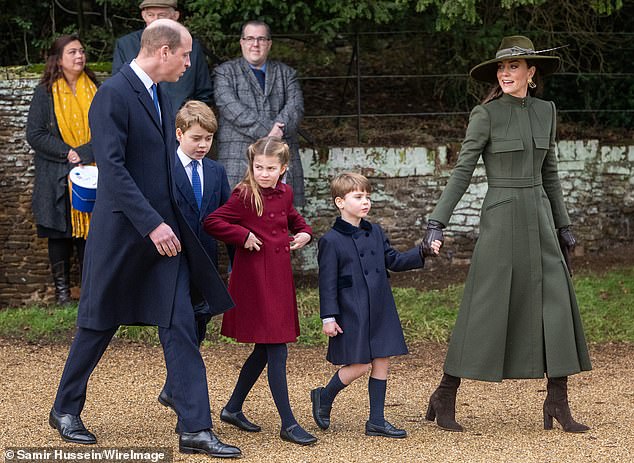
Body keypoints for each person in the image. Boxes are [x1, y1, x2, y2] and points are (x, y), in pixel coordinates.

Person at [48, 19, 240, 458]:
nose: (190, 63)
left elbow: (161, 168)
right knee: (97, 325)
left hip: (163, 240)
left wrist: (178, 220)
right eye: (186, 54)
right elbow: (112, 170)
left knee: (180, 327)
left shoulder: (158, 93)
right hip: (122, 237)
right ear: (164, 50)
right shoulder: (113, 94)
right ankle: (64, 409)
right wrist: (152, 223)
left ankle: (195, 427)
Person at [420, 35, 592, 433]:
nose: (505, 73)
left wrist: (564, 226)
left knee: (556, 305)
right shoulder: (486, 115)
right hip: (501, 218)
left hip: (541, 218)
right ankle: (445, 392)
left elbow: (550, 172)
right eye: (501, 68)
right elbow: (463, 170)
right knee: (485, 306)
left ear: (531, 73)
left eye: (513, 67)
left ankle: (557, 399)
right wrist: (436, 221)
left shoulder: (547, 111)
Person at [203, 136, 316, 446]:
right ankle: (289, 424)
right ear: (251, 167)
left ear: (283, 169)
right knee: (276, 348)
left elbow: (294, 219)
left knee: (265, 349)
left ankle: (232, 408)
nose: (263, 174)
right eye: (258, 167)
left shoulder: (285, 192)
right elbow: (212, 221)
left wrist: (305, 233)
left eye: (270, 168)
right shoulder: (243, 194)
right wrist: (242, 235)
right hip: (255, 280)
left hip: (279, 278)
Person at [310, 172, 440, 439]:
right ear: (340, 202)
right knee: (359, 365)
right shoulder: (330, 241)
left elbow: (392, 259)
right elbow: (327, 283)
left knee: (382, 360)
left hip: (380, 306)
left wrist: (422, 251)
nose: (365, 202)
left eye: (367, 197)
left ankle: (377, 421)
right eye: (358, 197)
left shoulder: (375, 231)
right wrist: (328, 317)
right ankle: (324, 396)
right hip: (351, 311)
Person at [157, 99, 232, 410]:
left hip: (206, 264)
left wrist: (237, 261)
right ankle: (184, 395)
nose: (203, 145)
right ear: (179, 133)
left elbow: (227, 218)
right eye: (196, 138)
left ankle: (172, 389)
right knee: (180, 327)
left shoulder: (216, 171)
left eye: (209, 138)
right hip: (172, 263)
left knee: (200, 323)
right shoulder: (163, 169)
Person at [26, 34, 98, 305]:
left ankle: (89, 292)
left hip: (91, 171)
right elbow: (35, 133)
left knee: (88, 233)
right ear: (58, 59)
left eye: (81, 51)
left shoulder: (97, 89)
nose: (80, 56)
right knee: (58, 233)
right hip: (54, 173)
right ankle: (62, 294)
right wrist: (67, 152)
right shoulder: (44, 92)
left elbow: (107, 129)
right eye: (72, 52)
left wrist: (84, 153)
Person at [214, 20, 305, 206]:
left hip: (280, 157)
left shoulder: (287, 73)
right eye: (250, 38)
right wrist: (271, 133)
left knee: (281, 217)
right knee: (239, 219)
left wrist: (278, 131)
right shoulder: (224, 73)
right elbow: (231, 108)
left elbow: (295, 107)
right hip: (238, 157)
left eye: (261, 39)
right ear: (241, 42)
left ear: (269, 43)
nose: (255, 44)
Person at [112, 0, 213, 115]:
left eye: (162, 16)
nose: (156, 20)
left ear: (175, 16)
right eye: (151, 15)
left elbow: (204, 94)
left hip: (184, 125)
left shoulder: (192, 47)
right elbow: (119, 89)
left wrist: (191, 122)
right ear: (143, 16)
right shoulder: (126, 45)